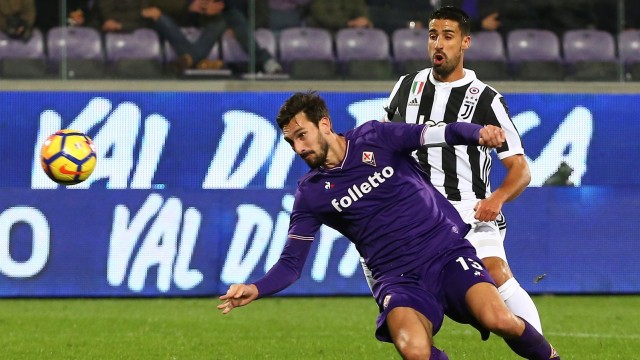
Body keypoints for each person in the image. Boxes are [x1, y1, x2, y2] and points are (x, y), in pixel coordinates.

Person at [218, 91, 560, 360]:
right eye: (291, 141)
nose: (298, 147)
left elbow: (438, 133)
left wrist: (478, 132)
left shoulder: (375, 137)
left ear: (324, 124)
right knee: (413, 349)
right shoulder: (311, 194)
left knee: (498, 319)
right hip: (397, 279)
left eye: (302, 135)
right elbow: (291, 263)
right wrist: (256, 288)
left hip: (445, 253)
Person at [376, 5, 544, 336]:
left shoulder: (486, 99)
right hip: (419, 214)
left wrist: (496, 199)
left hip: (471, 209)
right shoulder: (407, 87)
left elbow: (521, 170)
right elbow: (384, 143)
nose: (438, 44)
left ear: (465, 43)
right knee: (410, 302)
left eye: (448, 37)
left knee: (496, 272)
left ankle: (543, 350)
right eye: (433, 36)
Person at [141, 0, 227, 72]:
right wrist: (188, 6)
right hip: (170, 16)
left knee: (220, 23)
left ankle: (188, 60)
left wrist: (208, 11)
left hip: (196, 18)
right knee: (163, 20)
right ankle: (200, 63)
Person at [305, 0, 371, 34]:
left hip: (351, 32)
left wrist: (364, 21)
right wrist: (349, 23)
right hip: (325, 33)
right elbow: (322, 17)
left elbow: (362, 12)